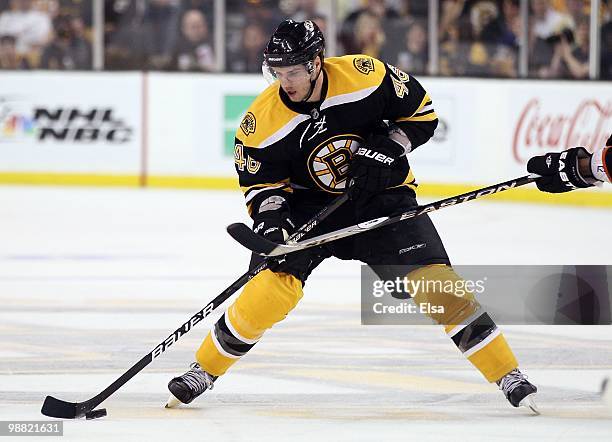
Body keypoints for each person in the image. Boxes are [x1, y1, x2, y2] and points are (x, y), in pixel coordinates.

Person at [167, 19, 542, 413]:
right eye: (277, 73)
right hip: (310, 209)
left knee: (436, 285)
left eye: (293, 71)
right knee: (270, 289)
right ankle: (204, 370)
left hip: (381, 197)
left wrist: (389, 147)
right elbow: (263, 190)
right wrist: (272, 222)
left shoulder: (366, 77)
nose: (285, 82)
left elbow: (422, 115)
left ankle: (507, 373)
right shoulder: (260, 124)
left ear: (316, 62)